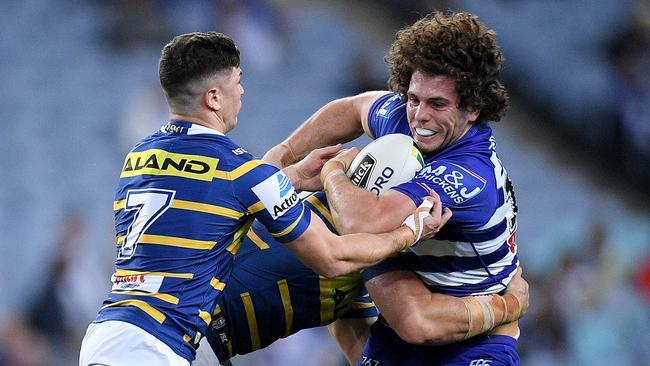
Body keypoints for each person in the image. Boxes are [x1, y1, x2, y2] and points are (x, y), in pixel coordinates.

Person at [78, 31, 446, 366]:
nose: (242, 92)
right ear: (213, 97)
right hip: (156, 345)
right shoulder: (241, 170)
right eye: (238, 82)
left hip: (107, 331)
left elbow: (205, 202)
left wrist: (291, 177)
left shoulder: (140, 156)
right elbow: (332, 258)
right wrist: (408, 232)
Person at [264, 11, 523, 365]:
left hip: (473, 339)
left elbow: (359, 222)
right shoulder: (407, 116)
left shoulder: (468, 173)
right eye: (415, 98)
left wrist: (334, 171)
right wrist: (283, 154)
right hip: (399, 329)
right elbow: (354, 108)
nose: (420, 115)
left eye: (438, 104)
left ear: (474, 108)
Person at [192, 192, 528, 366]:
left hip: (203, 341)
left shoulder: (369, 264)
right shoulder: (335, 233)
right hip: (187, 336)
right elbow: (335, 259)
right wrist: (509, 305)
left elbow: (356, 337)